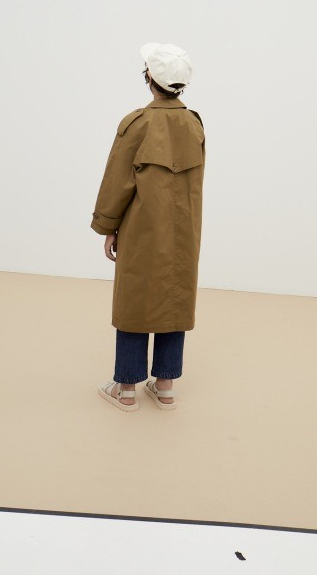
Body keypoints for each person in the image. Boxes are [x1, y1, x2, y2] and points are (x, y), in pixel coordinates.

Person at [91, 42, 205, 412]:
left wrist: (108, 225)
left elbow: (117, 181)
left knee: (135, 299)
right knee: (175, 296)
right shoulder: (194, 124)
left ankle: (126, 389)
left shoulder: (137, 123)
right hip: (184, 231)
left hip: (142, 229)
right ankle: (165, 386)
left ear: (149, 78)